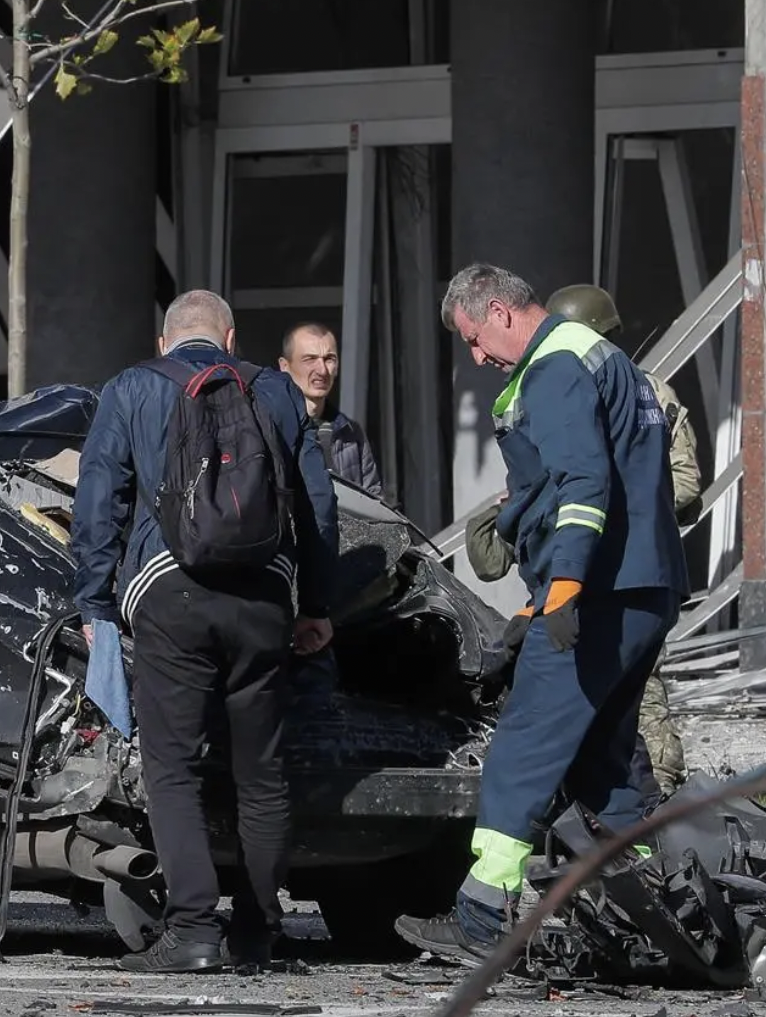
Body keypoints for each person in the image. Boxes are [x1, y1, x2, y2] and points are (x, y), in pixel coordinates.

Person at [396, 264, 687, 964]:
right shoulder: (604, 360)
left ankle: (482, 912)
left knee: (526, 742)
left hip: (597, 593)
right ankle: (653, 908)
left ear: (500, 311)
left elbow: (583, 483)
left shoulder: (555, 365)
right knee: (604, 756)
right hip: (644, 586)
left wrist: (561, 590)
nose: (476, 358)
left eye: (473, 338)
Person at [71, 290, 341, 975]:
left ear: (165, 342)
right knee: (262, 772)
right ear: (230, 337)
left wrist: (95, 600)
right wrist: (316, 603)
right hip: (264, 595)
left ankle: (192, 929)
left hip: (169, 592)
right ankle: (257, 932)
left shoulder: (131, 388)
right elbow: (317, 503)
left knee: (173, 767)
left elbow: (100, 500)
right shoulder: (275, 391)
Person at [545, 284, 703, 794]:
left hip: (633, 566)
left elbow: (686, 483)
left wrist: (622, 504)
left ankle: (657, 792)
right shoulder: (557, 392)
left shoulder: (648, 392)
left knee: (640, 688)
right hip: (578, 567)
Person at [277, 322, 387, 500]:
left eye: (329, 359)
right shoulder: (271, 430)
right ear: (285, 367)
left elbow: (373, 500)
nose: (322, 370)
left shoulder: (350, 433)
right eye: (310, 359)